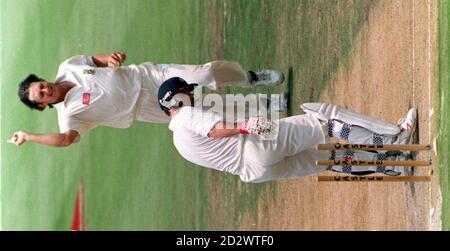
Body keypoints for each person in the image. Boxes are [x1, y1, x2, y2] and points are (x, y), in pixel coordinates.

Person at [158, 77, 417, 183]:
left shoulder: (179, 143)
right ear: (176, 98)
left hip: (253, 172)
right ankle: (395, 137)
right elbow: (213, 131)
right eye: (187, 92)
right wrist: (243, 127)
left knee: (329, 160)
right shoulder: (185, 116)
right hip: (256, 146)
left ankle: (392, 164)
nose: (192, 95)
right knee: (324, 121)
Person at [8, 52, 285, 147]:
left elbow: (95, 59)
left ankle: (248, 77)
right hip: (146, 107)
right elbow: (65, 140)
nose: (45, 90)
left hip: (148, 75)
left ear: (43, 81)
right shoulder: (69, 116)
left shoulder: (68, 66)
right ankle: (268, 106)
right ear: (42, 105)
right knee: (205, 108)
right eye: (40, 95)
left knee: (205, 73)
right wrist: (29, 137)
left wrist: (112, 59)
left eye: (41, 86)